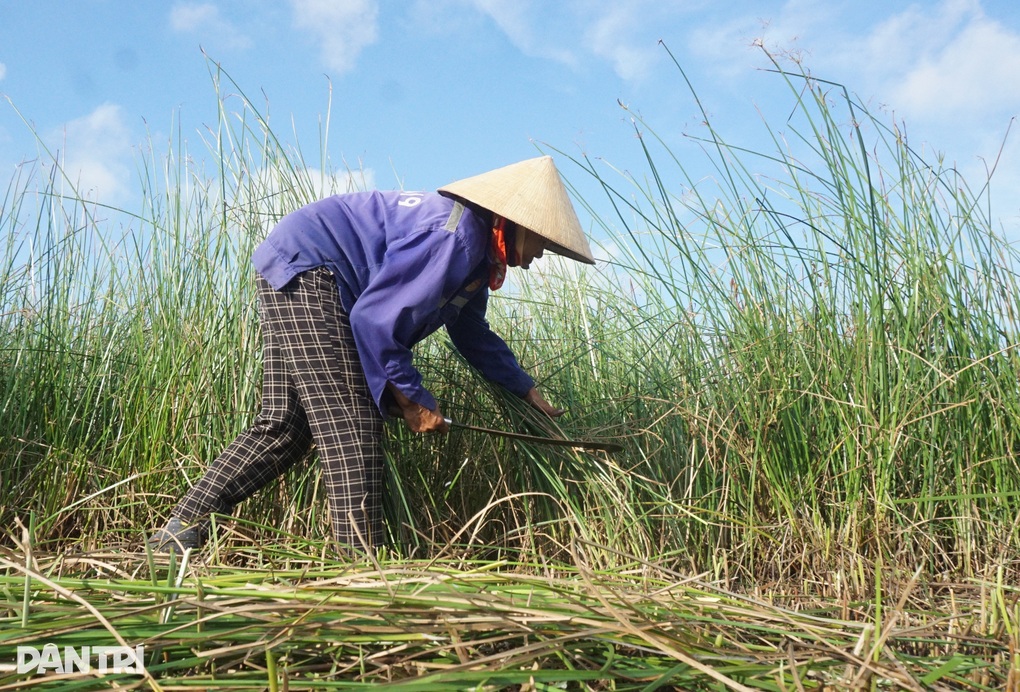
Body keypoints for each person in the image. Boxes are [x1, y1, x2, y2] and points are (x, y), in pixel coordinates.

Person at [146, 155, 596, 554]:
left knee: (285, 426)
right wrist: (413, 400)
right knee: (353, 425)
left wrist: (525, 389)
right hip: (315, 268)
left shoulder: (475, 258)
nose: (542, 255)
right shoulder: (455, 238)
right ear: (519, 224)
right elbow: (375, 321)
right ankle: (361, 571)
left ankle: (178, 531)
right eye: (544, 242)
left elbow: (472, 333)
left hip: (296, 262)